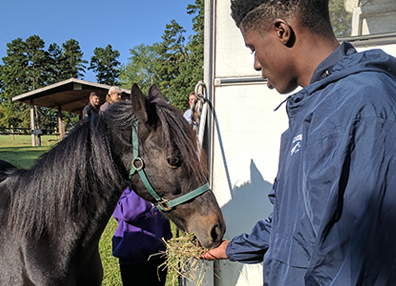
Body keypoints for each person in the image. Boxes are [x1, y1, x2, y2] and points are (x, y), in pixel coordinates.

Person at [202, 0, 396, 285]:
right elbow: (291, 223)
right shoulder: (313, 108)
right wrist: (233, 248)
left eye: (253, 48)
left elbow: (357, 263)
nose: (255, 64)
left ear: (282, 31)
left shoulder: (366, 106)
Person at [112, 187, 172, 286]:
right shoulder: (123, 185)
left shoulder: (157, 181)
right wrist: (145, 188)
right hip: (134, 258)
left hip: (158, 254)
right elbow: (126, 212)